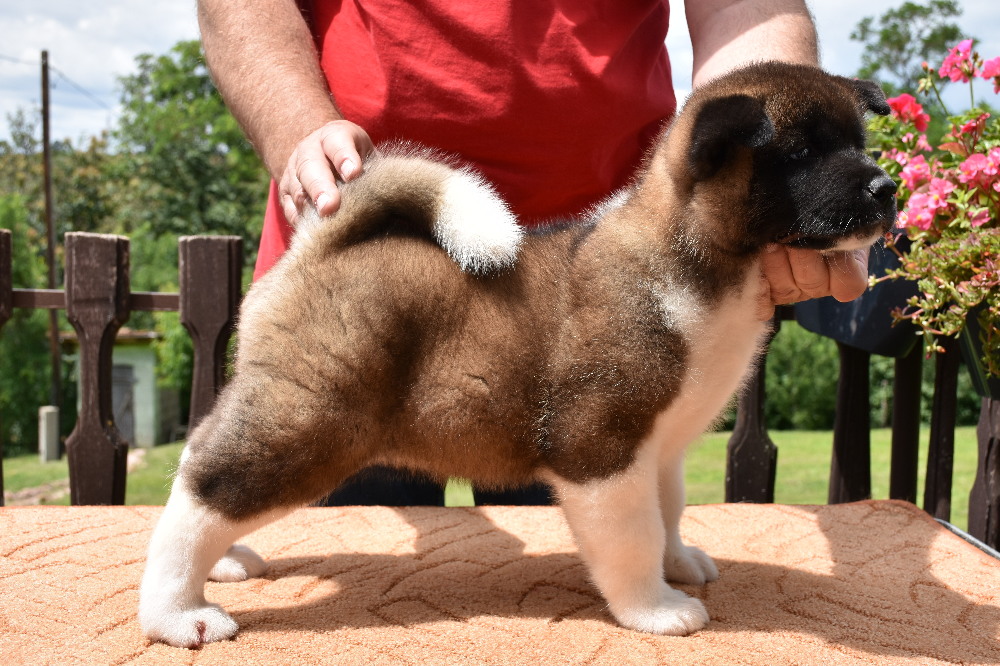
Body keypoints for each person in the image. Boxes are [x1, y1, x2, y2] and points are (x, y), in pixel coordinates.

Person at [196, 0, 871, 505]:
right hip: (362, 272)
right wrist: (300, 131)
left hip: (602, 302)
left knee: (577, 599)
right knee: (292, 531)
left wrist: (789, 165)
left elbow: (742, 8)